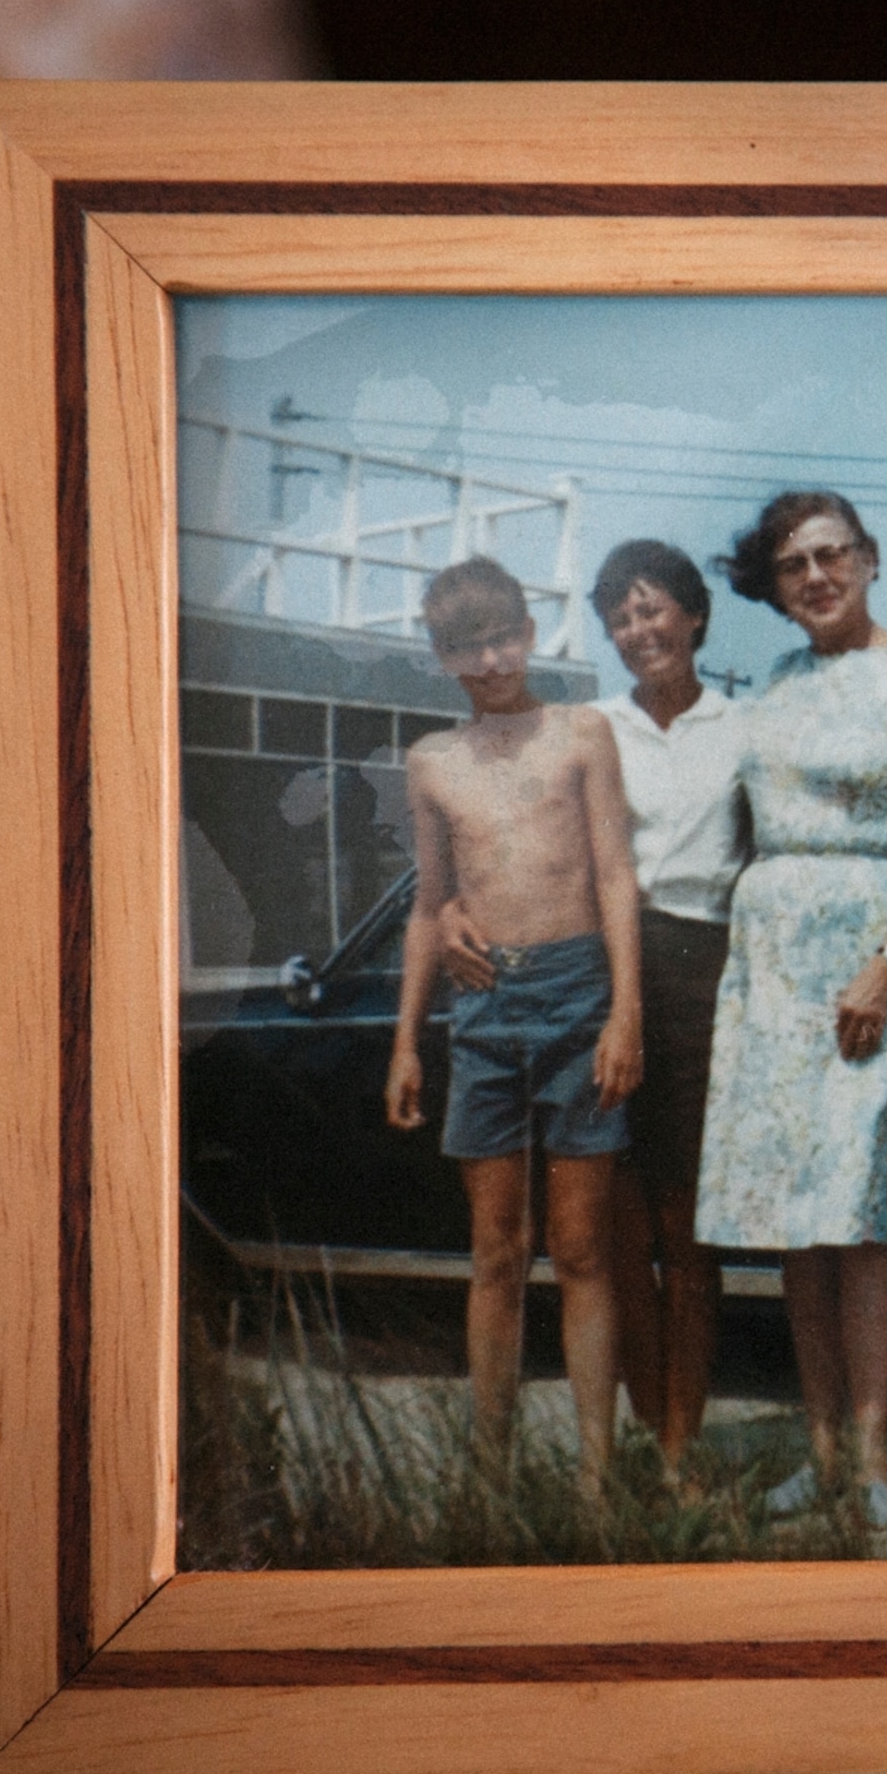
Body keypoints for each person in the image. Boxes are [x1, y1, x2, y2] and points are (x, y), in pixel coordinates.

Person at [692, 491, 887, 1527]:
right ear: (774, 586)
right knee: (795, 1220)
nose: (816, 577)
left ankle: (872, 1462)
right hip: (774, 966)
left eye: (832, 556)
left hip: (875, 960)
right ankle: (816, 1454)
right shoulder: (773, 682)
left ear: (869, 560)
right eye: (794, 565)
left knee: (861, 1213)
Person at [382, 556, 644, 1485]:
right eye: (468, 648)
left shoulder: (581, 733)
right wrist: (407, 1043)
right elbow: (429, 907)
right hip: (484, 1008)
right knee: (496, 1253)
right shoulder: (432, 761)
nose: (490, 661)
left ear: (530, 634)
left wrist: (624, 1011)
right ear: (442, 659)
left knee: (581, 1249)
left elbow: (615, 875)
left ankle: (597, 1481)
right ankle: (488, 1477)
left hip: (580, 995)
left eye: (503, 639)